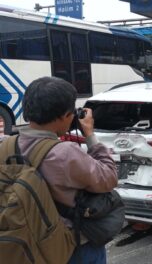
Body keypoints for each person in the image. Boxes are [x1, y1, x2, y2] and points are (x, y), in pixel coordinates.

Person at [19, 77, 118, 263]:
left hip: (25, 242)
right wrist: (90, 135)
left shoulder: (6, 146)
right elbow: (109, 178)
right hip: (69, 247)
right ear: (65, 116)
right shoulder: (64, 153)